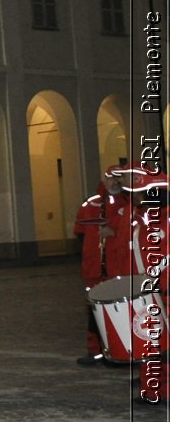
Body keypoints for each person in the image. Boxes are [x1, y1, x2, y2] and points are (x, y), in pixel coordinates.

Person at [103, 163, 168, 405]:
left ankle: (158, 390)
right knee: (149, 340)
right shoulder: (136, 215)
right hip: (140, 285)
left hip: (157, 288)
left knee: (156, 341)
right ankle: (152, 388)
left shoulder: (160, 219)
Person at [72, 175, 120, 364]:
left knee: (118, 311)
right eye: (111, 179)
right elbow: (80, 233)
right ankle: (96, 351)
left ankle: (119, 352)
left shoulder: (129, 204)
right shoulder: (90, 205)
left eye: (118, 179)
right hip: (94, 269)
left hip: (118, 268)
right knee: (94, 311)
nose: (114, 183)